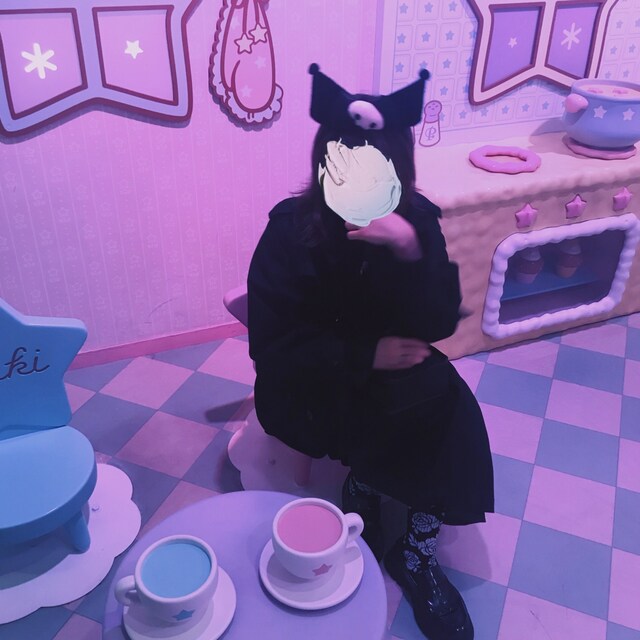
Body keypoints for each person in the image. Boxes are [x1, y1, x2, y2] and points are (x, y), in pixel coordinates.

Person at [247, 64, 494, 640]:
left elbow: (437, 324)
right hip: (311, 382)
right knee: (381, 412)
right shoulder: (290, 230)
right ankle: (362, 483)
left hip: (385, 373)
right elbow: (271, 346)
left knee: (448, 402)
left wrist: (410, 250)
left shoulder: (416, 222)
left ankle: (416, 551)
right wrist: (365, 355)